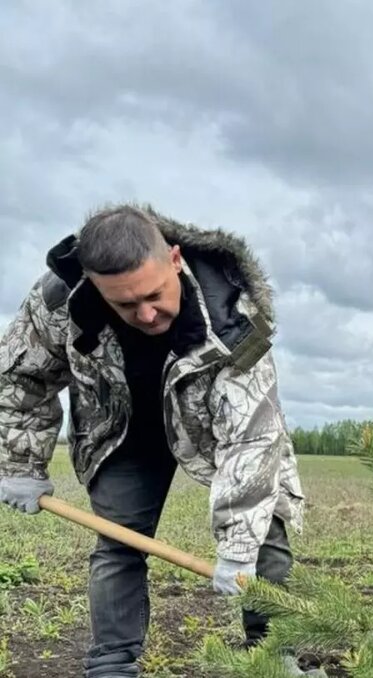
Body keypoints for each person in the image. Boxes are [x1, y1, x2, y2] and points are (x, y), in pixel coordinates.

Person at [0, 205, 322, 677]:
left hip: (212, 427)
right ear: (93, 283)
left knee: (264, 533)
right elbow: (19, 377)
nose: (147, 314)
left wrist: (237, 548)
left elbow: (252, 439)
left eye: (154, 295)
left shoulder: (233, 315)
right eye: (126, 304)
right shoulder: (59, 302)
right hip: (121, 428)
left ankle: (273, 657)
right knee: (117, 543)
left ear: (174, 259)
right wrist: (19, 464)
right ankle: (111, 665)